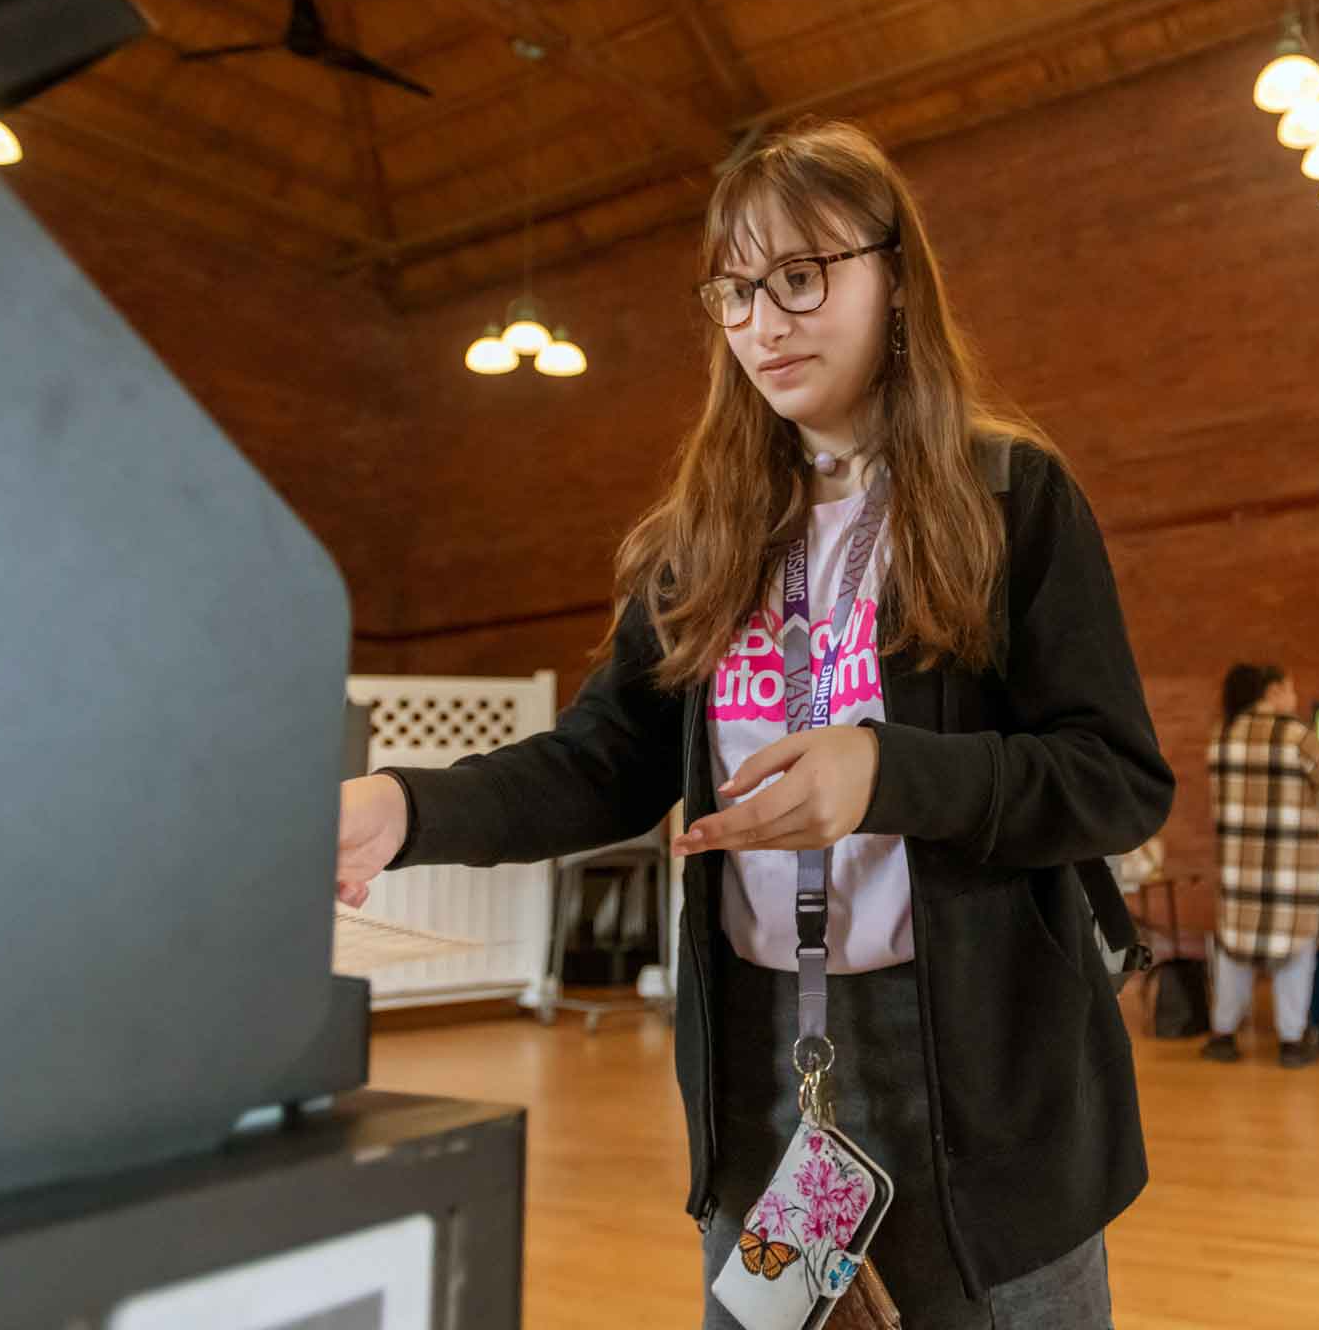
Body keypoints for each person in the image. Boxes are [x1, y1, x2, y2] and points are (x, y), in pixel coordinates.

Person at [335, 121, 1173, 1327]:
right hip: (769, 1073)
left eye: (800, 275)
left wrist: (890, 772)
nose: (765, 322)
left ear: (895, 279)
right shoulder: (703, 541)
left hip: (988, 1082)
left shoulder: (1009, 498)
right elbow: (600, 763)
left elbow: (1113, 779)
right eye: (735, 290)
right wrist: (404, 807)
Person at [1203, 664, 1319, 1068]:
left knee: (1234, 953)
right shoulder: (1296, 735)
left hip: (1239, 870)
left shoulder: (1222, 736)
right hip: (1291, 867)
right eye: (1290, 688)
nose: (1294, 697)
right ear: (1273, 691)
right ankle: (1291, 1042)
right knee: (1296, 954)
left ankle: (1222, 1036)